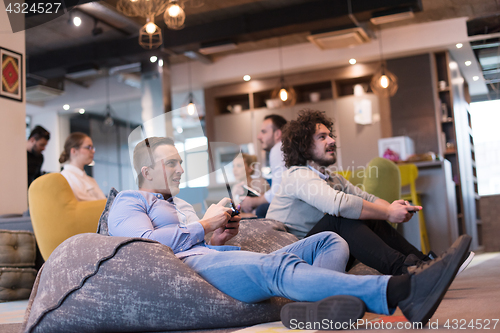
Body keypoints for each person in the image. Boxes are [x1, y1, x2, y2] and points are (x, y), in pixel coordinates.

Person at [107, 136, 471, 328]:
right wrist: (204, 226)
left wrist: (216, 234)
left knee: (331, 239)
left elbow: (198, 237)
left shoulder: (180, 205)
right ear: (146, 171)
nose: (181, 169)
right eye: (172, 163)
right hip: (195, 269)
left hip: (219, 258)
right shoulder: (129, 200)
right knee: (276, 270)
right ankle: (401, 290)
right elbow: (143, 247)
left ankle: (313, 311)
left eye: (180, 161)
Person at [267, 109, 474, 276]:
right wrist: (388, 213)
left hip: (323, 250)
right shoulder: (297, 175)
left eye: (330, 135)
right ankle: (406, 270)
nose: (332, 141)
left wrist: (393, 208)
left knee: (367, 214)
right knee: (340, 217)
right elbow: (338, 205)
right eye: (322, 137)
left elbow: (368, 199)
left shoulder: (332, 178)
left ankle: (426, 265)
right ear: (303, 147)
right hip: (292, 258)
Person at [240, 115, 287, 217]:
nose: (258, 136)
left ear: (278, 134)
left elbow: (277, 192)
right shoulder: (285, 149)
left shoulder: (278, 149)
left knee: (261, 210)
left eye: (264, 132)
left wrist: (253, 202)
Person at [59, 132, 106, 201]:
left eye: (93, 148)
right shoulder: (65, 177)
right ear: (74, 151)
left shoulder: (90, 180)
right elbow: (84, 206)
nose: (93, 151)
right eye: (89, 147)